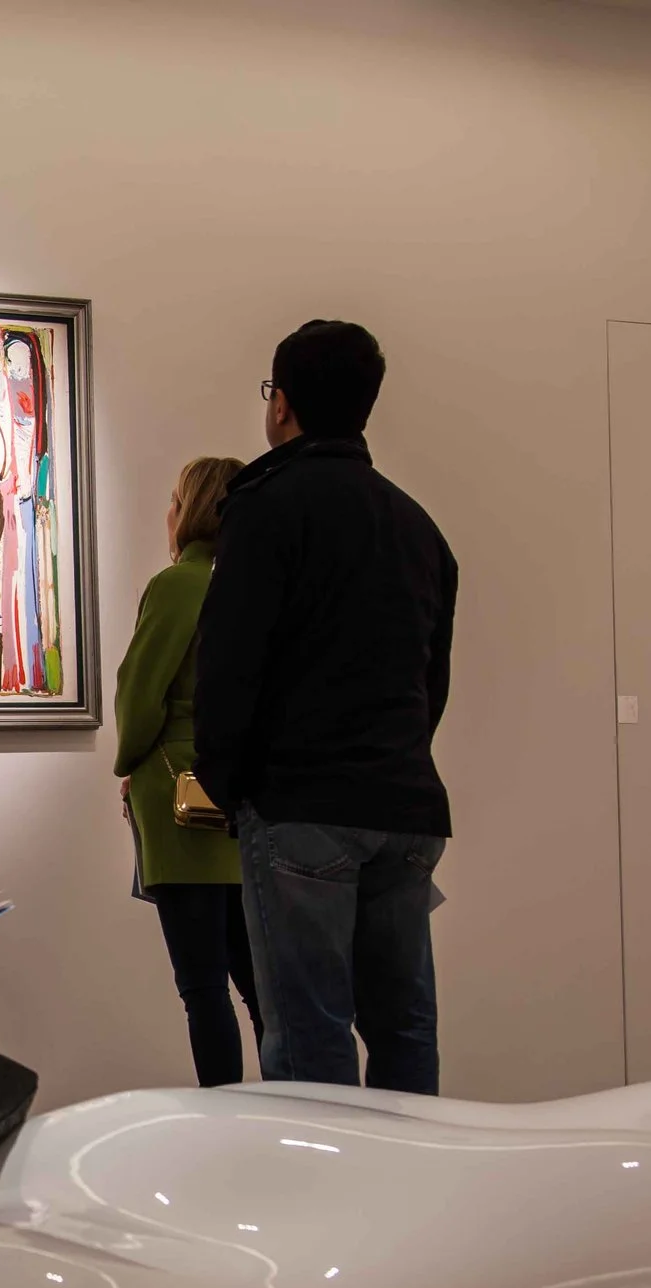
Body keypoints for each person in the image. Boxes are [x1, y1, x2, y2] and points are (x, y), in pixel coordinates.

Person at [194, 321, 458, 1093]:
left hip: (302, 805)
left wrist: (228, 781)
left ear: (282, 405)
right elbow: (430, 680)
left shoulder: (266, 506)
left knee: (309, 1035)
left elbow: (230, 662)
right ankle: (406, 1193)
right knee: (405, 1025)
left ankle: (323, 1206)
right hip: (406, 806)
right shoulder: (417, 526)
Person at [113, 455, 262, 1086]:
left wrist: (128, 762)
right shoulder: (256, 582)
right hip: (246, 796)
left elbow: (140, 691)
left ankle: (222, 1120)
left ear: (192, 509)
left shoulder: (179, 584)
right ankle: (296, 1110)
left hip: (182, 798)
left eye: (174, 500)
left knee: (203, 989)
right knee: (261, 987)